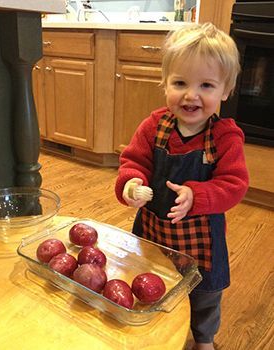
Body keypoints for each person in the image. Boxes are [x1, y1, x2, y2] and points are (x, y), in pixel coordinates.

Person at [115, 23, 249, 350]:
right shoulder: (153, 126)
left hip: (201, 239)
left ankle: (204, 340)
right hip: (153, 231)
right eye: (180, 83)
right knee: (150, 280)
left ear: (225, 90)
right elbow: (133, 162)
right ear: (164, 84)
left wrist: (198, 195)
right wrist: (131, 185)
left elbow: (234, 184)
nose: (191, 95)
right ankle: (156, 329)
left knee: (206, 295)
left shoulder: (225, 137)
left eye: (206, 85)